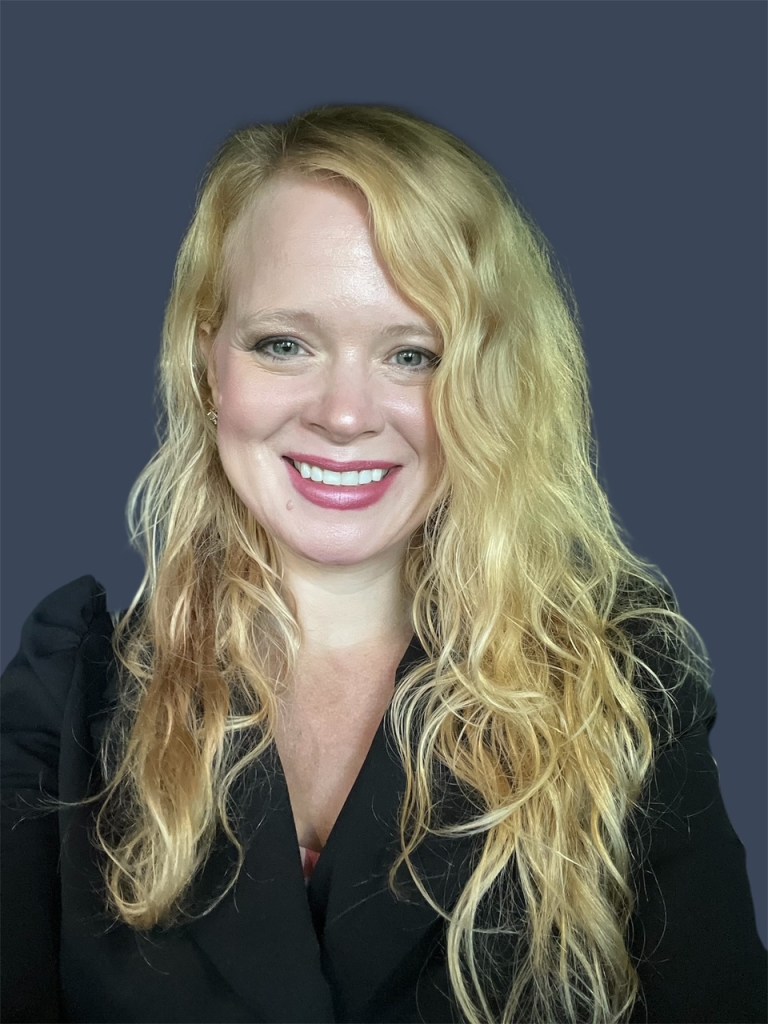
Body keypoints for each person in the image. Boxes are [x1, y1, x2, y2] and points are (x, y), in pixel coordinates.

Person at [1, 104, 765, 1024]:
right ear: (210, 365)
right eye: (285, 344)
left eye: (413, 354)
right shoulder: (68, 695)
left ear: (489, 385)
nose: (345, 414)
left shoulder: (622, 688)